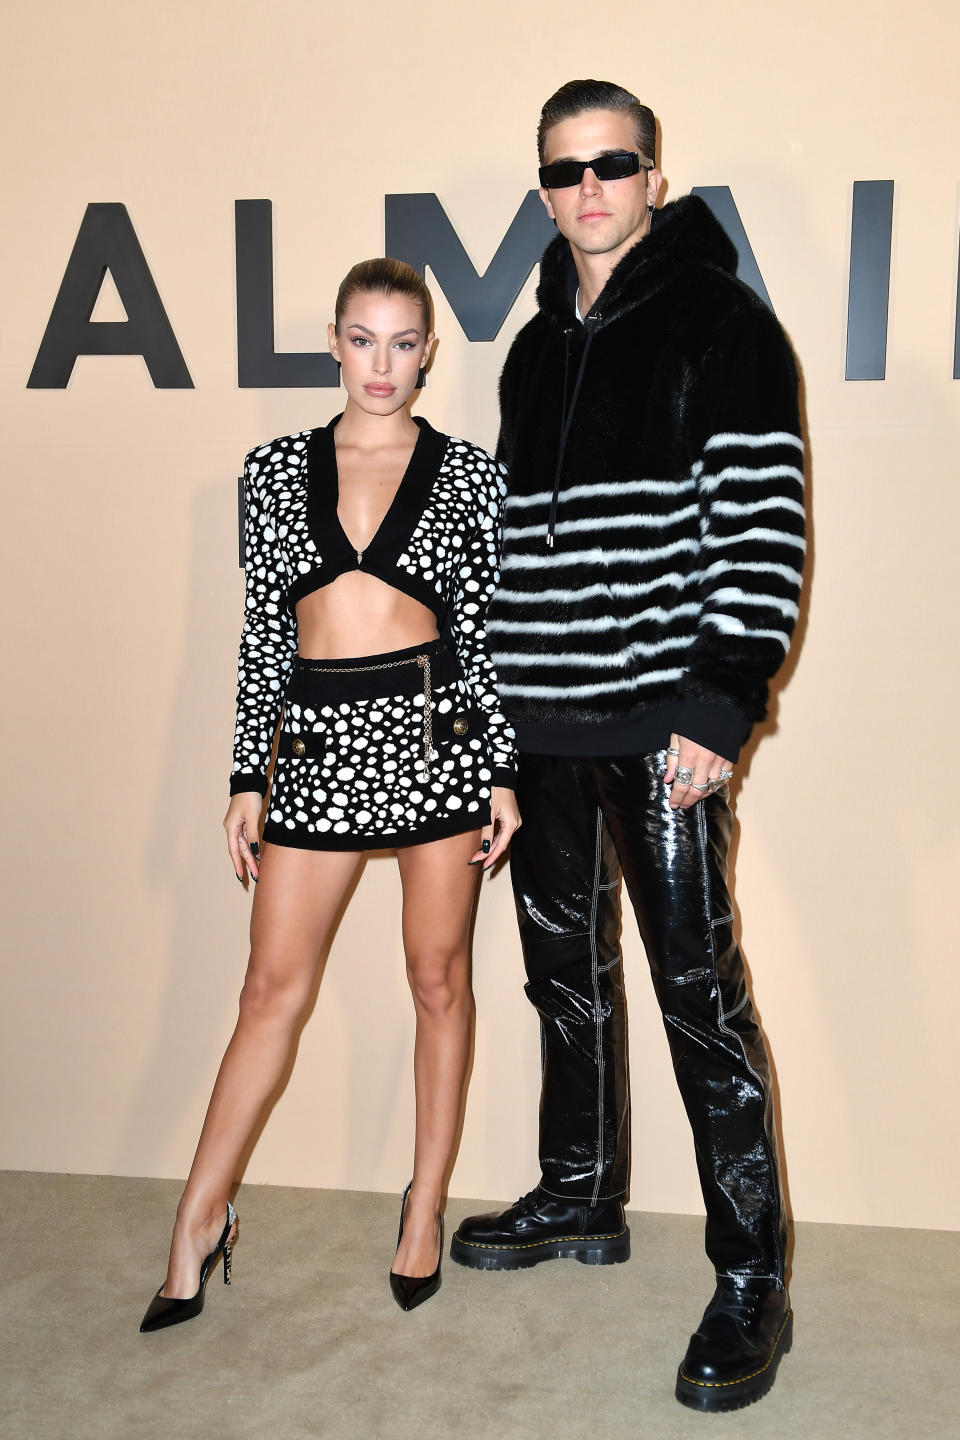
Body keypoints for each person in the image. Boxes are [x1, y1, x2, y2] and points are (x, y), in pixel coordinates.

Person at [450, 80, 805, 1412]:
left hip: (664, 720)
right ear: (544, 190)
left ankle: (752, 1276)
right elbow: (514, 568)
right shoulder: (535, 345)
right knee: (565, 979)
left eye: (614, 164)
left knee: (698, 998)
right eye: (564, 170)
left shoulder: (724, 324)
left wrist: (720, 707)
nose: (589, 187)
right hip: (543, 729)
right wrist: (496, 730)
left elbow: (762, 525)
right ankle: (583, 1192)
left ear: (654, 176)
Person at [140, 258, 519, 1330]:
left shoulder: (472, 477)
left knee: (438, 982)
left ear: (430, 349)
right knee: (270, 993)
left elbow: (485, 641)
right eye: (363, 339)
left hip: (438, 746)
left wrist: (499, 770)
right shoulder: (271, 470)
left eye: (404, 343)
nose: (383, 364)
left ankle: (425, 1207)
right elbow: (266, 637)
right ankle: (198, 1221)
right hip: (317, 752)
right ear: (334, 340)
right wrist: (244, 774)